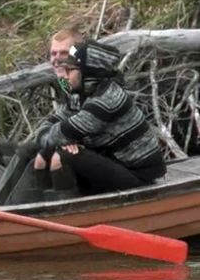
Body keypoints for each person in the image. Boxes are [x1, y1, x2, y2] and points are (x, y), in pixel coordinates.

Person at [30, 40, 166, 197]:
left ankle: (64, 213)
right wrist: (59, 140)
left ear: (89, 72)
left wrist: (61, 141)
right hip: (112, 163)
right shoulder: (79, 96)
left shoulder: (108, 99)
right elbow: (42, 133)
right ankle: (33, 209)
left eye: (70, 70)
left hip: (138, 175)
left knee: (62, 157)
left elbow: (61, 134)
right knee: (39, 155)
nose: (64, 76)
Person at [0, 28, 83, 206]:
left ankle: (1, 212)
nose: (57, 59)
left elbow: (89, 124)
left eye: (63, 53)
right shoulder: (65, 83)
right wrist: (52, 136)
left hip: (80, 155)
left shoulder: (85, 80)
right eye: (53, 53)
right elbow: (56, 120)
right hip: (61, 142)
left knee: (32, 153)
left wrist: (64, 138)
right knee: (0, 151)